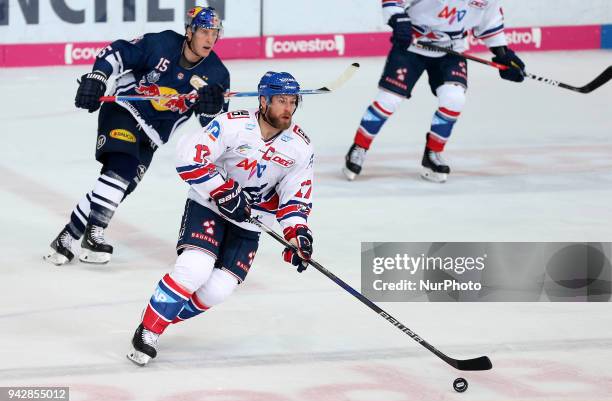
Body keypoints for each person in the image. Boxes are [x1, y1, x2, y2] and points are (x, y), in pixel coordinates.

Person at [126, 71, 315, 366]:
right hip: (209, 205)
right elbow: (189, 156)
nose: (288, 108)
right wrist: (223, 190)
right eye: (281, 101)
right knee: (194, 269)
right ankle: (149, 330)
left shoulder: (300, 147)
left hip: (250, 221)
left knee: (218, 290)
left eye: (292, 102)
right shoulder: (233, 124)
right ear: (263, 100)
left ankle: (159, 318)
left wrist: (297, 235)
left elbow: (295, 199)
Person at [44, 7, 230, 266]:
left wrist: (213, 108)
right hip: (124, 110)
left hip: (154, 135)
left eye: (214, 33)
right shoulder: (162, 43)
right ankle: (94, 233)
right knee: (122, 168)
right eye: (204, 32)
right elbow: (118, 52)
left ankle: (68, 236)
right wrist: (98, 76)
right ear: (189, 31)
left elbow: (215, 129)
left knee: (119, 185)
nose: (210, 39)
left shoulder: (218, 74)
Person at [343, 0, 525, 183]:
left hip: (451, 52)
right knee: (389, 100)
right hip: (411, 47)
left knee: (454, 98)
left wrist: (503, 55)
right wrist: (398, 19)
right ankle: (359, 147)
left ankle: (433, 153)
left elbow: (490, 22)